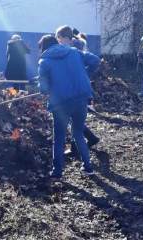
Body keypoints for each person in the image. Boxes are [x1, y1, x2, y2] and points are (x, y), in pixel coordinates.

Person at [38, 34, 100, 179]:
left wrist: (46, 84)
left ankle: (57, 172)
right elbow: (95, 60)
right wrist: (85, 74)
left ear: (43, 47)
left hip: (60, 104)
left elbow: (43, 89)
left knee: (59, 137)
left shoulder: (44, 61)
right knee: (78, 132)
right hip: (81, 99)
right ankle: (88, 167)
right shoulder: (73, 52)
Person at [55, 26, 101, 152]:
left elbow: (95, 60)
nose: (58, 42)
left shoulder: (73, 51)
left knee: (71, 118)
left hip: (78, 92)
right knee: (73, 119)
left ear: (66, 38)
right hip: (74, 91)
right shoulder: (66, 52)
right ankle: (89, 139)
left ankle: (80, 146)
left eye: (59, 39)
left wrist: (85, 73)